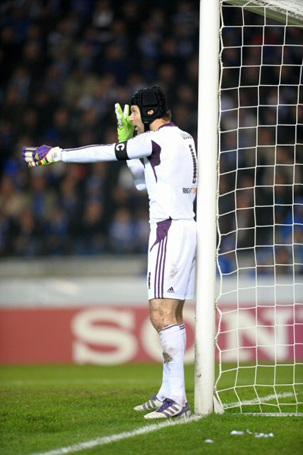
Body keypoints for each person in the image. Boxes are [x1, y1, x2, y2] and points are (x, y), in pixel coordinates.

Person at [23, 85, 197, 419]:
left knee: (161, 315)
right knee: (170, 314)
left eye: (133, 112)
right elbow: (143, 183)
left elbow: (103, 153)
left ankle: (178, 399)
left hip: (169, 228)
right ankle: (168, 392)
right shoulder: (184, 138)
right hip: (183, 225)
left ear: (147, 112)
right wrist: (131, 147)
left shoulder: (154, 140)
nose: (130, 119)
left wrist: (57, 154)